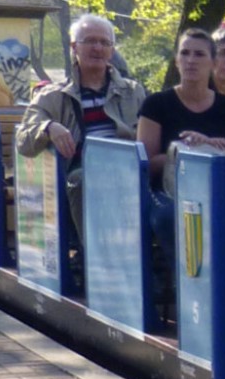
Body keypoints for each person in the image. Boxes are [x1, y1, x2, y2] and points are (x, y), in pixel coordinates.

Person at [15, 14, 144, 244]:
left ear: (112, 50)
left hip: (126, 169)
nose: (97, 48)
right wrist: (48, 127)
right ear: (74, 47)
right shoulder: (53, 96)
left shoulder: (133, 92)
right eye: (90, 41)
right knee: (83, 181)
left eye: (104, 43)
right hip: (82, 172)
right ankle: (95, 257)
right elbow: (23, 140)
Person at [137, 28, 225, 283]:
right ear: (176, 60)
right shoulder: (156, 104)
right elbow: (146, 164)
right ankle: (188, 289)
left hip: (218, 192)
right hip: (168, 192)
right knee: (172, 218)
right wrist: (186, 150)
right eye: (184, 53)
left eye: (199, 54)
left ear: (212, 62)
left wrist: (211, 146)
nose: (190, 60)